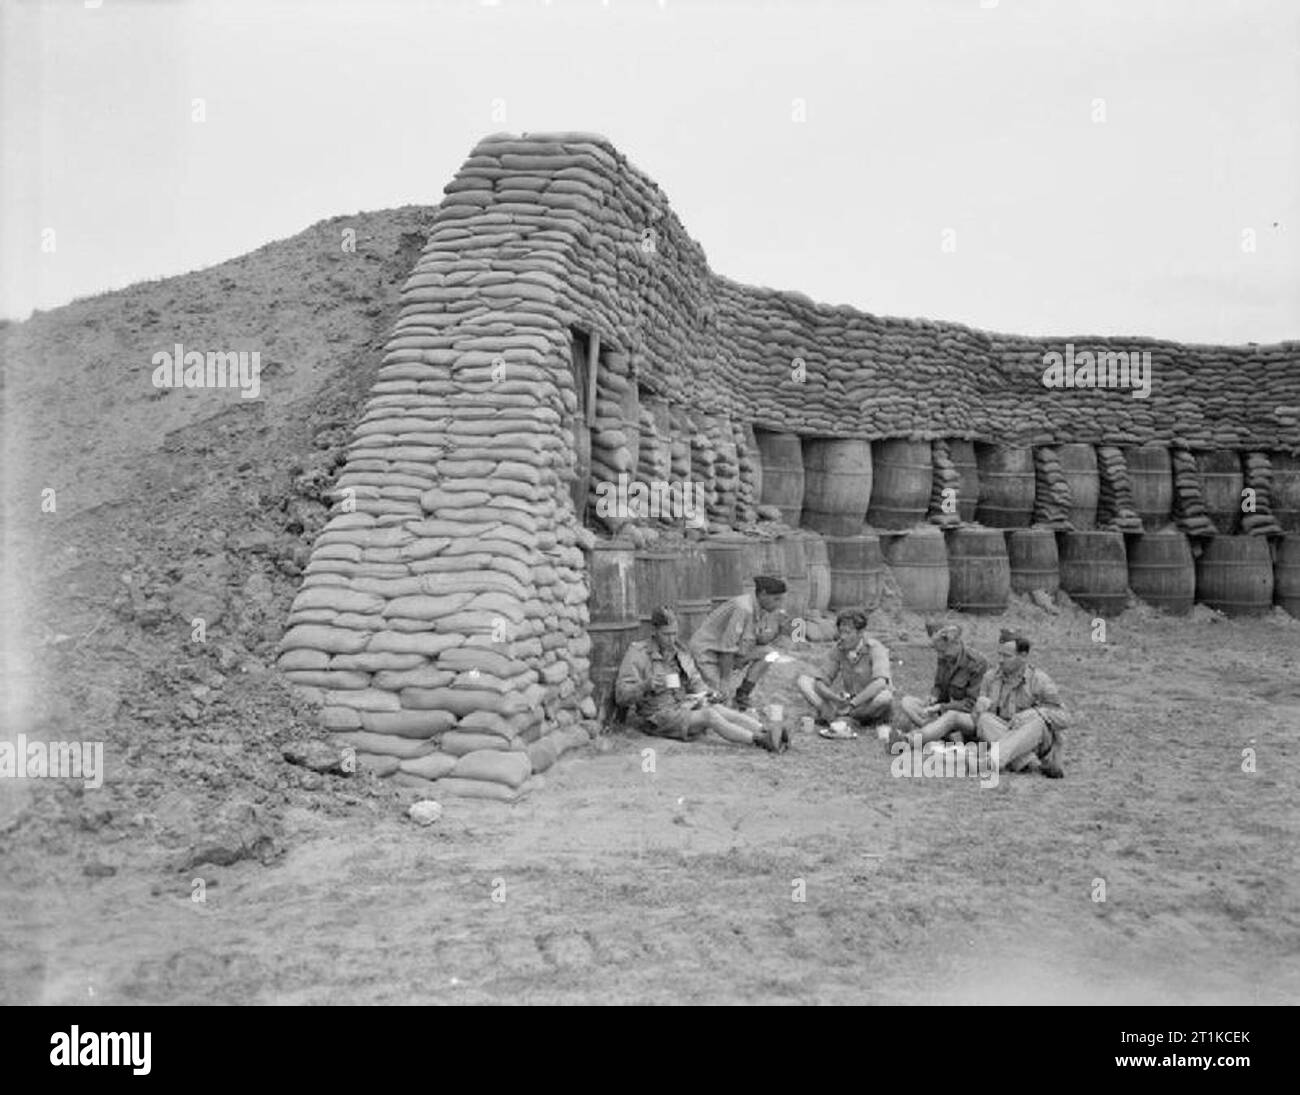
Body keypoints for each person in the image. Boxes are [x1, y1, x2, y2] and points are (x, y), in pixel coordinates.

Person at [616, 606, 787, 752]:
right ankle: (759, 740)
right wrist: (645, 685)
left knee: (718, 708)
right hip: (657, 717)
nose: (671, 639)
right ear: (654, 631)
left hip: (682, 705)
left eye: (674, 633)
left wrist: (707, 694)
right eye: (666, 634)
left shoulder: (679, 651)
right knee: (709, 715)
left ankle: (766, 730)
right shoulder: (638, 654)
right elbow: (621, 696)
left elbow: (694, 681)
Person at [973, 629, 1068, 778]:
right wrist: (977, 712)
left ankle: (992, 760)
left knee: (1037, 722)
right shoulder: (990, 678)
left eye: (1007, 656)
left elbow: (1065, 718)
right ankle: (1031, 763)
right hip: (1006, 732)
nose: (1001, 660)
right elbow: (977, 722)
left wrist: (1035, 713)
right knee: (985, 720)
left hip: (1036, 741)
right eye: (999, 655)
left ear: (1023, 656)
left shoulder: (1040, 680)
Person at [687, 575, 787, 711]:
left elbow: (761, 640)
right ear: (763, 594)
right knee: (723, 701)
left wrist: (779, 628)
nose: (779, 604)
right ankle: (710, 692)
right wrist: (725, 681)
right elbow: (727, 649)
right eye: (776, 599)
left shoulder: (762, 608)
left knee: (771, 654)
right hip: (708, 654)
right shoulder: (743, 608)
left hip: (731, 653)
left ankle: (742, 695)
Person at [794, 608, 893, 739]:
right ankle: (840, 717)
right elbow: (820, 681)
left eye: (847, 632)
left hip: (866, 703)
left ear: (860, 633)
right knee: (804, 681)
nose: (842, 637)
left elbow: (880, 683)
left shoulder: (875, 648)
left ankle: (845, 718)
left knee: (884, 697)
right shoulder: (839, 648)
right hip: (846, 704)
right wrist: (834, 698)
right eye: (841, 632)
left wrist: (853, 703)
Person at [896, 622, 989, 748]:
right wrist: (933, 696)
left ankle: (913, 739)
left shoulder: (977, 663)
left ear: (956, 643)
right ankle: (939, 732)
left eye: (943, 651)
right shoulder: (944, 657)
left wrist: (941, 707)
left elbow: (970, 704)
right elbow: (938, 685)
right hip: (941, 711)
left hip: (962, 715)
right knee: (907, 702)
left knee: (950, 718)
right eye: (938, 651)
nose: (940, 656)